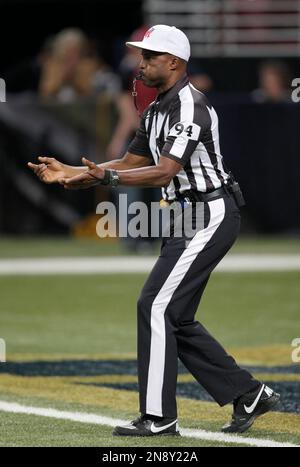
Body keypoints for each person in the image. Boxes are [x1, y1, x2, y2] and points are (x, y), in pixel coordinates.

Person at [28, 25, 280, 437]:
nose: (140, 63)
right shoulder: (158, 109)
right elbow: (129, 162)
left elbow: (164, 171)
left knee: (156, 307)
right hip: (185, 216)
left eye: (149, 57)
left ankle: (159, 418)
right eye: (141, 56)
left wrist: (101, 181)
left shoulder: (190, 107)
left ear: (174, 63)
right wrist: (71, 172)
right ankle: (248, 393)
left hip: (210, 212)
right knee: (175, 316)